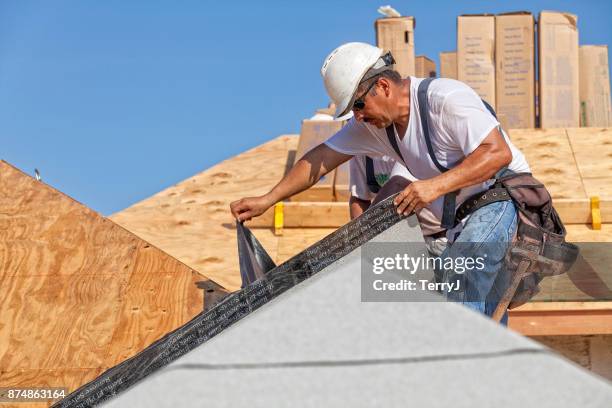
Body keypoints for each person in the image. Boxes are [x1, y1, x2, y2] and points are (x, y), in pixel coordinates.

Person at [230, 42, 531, 323]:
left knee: (462, 274)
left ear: (383, 86)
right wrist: (267, 200)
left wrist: (434, 186)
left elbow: (497, 153)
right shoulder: (373, 128)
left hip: (501, 199)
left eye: (359, 106)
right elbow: (320, 158)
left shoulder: (445, 100)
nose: (358, 118)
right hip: (456, 223)